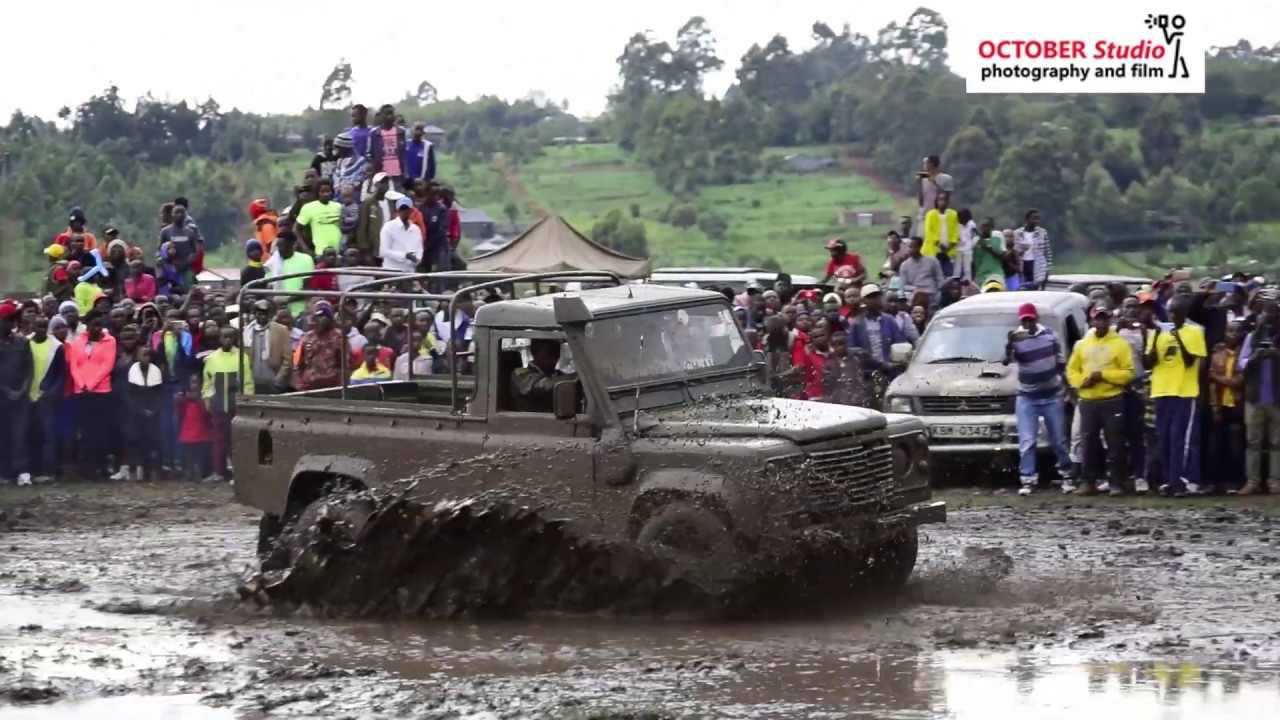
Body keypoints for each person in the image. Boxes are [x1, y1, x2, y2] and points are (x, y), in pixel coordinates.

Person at [1067, 305, 1135, 496]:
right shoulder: (1082, 344)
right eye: (1097, 318)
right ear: (1092, 321)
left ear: (1110, 320)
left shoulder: (1120, 344)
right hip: (1088, 400)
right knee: (1088, 442)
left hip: (1112, 399)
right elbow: (1072, 370)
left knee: (1115, 442)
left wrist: (1103, 375)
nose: (1101, 322)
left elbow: (1128, 373)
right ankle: (1088, 481)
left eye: (1104, 318)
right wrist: (1082, 382)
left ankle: (1116, 483)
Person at [1004, 302, 1071, 495]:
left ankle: (1067, 474)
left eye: (1030, 320)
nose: (1027, 323)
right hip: (1027, 397)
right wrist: (1010, 344)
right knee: (1027, 441)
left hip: (1051, 395)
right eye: (1024, 320)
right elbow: (1006, 360)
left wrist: (1065, 385)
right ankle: (1027, 479)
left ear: (1036, 319)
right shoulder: (1016, 338)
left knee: (1058, 439)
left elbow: (1060, 361)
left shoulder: (1050, 336)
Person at [1145, 295, 1207, 496]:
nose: (1173, 316)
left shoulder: (1194, 332)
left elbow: (1191, 362)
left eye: (1177, 312)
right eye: (1170, 312)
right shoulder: (1158, 333)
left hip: (1184, 392)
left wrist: (1177, 336)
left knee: (1180, 439)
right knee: (1163, 439)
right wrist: (1153, 338)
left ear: (1184, 313)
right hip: (1161, 390)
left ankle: (1180, 481)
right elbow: (1149, 363)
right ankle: (1169, 480)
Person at [67, 312, 117, 478]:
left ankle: (101, 467)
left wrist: (91, 384)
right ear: (87, 326)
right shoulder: (77, 341)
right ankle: (86, 468)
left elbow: (107, 365)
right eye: (94, 324)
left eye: (100, 325)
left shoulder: (110, 341)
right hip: (81, 392)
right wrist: (82, 384)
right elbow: (74, 365)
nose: (98, 328)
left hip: (101, 391)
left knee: (100, 431)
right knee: (85, 431)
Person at [1238, 298, 1280, 495]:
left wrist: (1276, 354)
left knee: (1276, 443)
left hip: (1276, 398)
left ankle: (1274, 481)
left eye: (1273, 315)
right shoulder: (1252, 338)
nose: (1269, 319)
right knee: (1253, 442)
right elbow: (1242, 364)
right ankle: (1253, 481)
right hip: (1255, 398)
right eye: (1266, 315)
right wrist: (1256, 356)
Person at [204, 327, 254, 482]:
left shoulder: (242, 357)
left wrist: (247, 402)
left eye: (230, 337)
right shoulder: (212, 358)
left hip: (235, 405)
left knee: (236, 441)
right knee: (219, 440)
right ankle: (218, 472)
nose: (227, 340)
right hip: (218, 404)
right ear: (219, 338)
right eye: (224, 337)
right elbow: (207, 383)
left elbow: (247, 382)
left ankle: (237, 472)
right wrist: (207, 400)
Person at [1208, 320, 1246, 494]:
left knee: (1236, 445)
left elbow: (1240, 380)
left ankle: (1235, 481)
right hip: (1221, 405)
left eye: (1237, 331)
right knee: (1218, 445)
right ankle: (1218, 482)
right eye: (1230, 331)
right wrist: (1214, 406)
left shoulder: (1245, 354)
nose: (1233, 334)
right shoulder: (1217, 355)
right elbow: (1211, 381)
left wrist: (1219, 379)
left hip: (1238, 405)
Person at [29, 314, 65, 484]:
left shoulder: (56, 347)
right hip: (28, 397)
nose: (42, 329)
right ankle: (32, 471)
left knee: (49, 435)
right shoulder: (25, 343)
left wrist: (51, 393)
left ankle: (50, 472)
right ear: (32, 327)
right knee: (32, 435)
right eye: (39, 326)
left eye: (45, 326)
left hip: (47, 398)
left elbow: (60, 375)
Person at [0, 301, 34, 486]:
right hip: (2, 397)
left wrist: (21, 390)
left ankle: (22, 471)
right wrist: (7, 390)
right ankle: (4, 473)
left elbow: (29, 369)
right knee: (3, 435)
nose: (10, 324)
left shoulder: (22, 342)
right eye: (6, 320)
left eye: (13, 320)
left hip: (20, 398)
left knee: (20, 434)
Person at [124, 345, 164, 482]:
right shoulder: (131, 371)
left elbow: (159, 395)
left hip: (152, 414)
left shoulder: (156, 371)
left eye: (149, 355)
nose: (146, 358)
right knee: (134, 441)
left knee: (151, 442)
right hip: (135, 413)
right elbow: (128, 396)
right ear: (137, 357)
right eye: (143, 355)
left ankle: (150, 470)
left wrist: (154, 409)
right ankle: (135, 470)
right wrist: (141, 410)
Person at [293, 301, 347, 391]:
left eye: (322, 317)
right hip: (308, 385)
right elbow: (298, 363)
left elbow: (345, 365)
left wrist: (343, 385)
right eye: (317, 317)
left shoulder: (338, 337)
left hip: (332, 386)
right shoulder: (307, 337)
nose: (319, 320)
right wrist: (299, 382)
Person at [242, 300, 290, 395]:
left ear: (270, 315)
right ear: (254, 314)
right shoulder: (246, 331)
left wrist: (279, 379)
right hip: (252, 381)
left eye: (265, 314)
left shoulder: (281, 330)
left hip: (273, 382)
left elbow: (287, 359)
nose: (262, 317)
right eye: (259, 314)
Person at [511, 339, 572, 413]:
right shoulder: (521, 374)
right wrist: (571, 380)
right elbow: (541, 386)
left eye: (557, 352)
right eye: (551, 352)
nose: (556, 357)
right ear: (535, 352)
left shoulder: (557, 374)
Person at [271, 232, 316, 319]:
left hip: (300, 313)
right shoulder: (273, 262)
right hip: (278, 314)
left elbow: (307, 288)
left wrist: (287, 300)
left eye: (282, 246)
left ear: (291, 244)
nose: (279, 249)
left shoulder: (305, 260)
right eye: (278, 246)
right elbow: (269, 287)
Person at [295, 178, 343, 256]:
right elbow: (296, 229)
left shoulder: (338, 206)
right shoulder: (309, 208)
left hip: (339, 251)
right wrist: (305, 248)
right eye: (322, 192)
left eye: (328, 191)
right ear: (317, 192)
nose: (326, 194)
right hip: (320, 253)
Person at [177, 374, 212, 482]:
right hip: (188, 432)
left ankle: (199, 473)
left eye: (196, 382)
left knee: (199, 457)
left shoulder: (204, 398)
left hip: (201, 433)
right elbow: (180, 413)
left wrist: (197, 400)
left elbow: (207, 412)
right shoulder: (184, 399)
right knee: (189, 457)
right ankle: (189, 472)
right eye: (192, 382)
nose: (194, 385)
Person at [356, 172, 394, 263]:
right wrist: (364, 248)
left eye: (386, 183)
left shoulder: (390, 202)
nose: (384, 185)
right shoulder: (368, 202)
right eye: (381, 183)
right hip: (372, 249)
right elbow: (362, 227)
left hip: (388, 247)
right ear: (375, 185)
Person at [897, 237, 945, 306]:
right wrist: (915, 289)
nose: (909, 250)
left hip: (931, 293)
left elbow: (940, 280)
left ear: (919, 247)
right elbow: (903, 285)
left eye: (912, 247)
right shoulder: (904, 265)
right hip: (915, 295)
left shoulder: (933, 261)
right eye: (908, 247)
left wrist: (939, 292)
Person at [380, 197, 424, 273]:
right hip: (391, 271)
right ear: (398, 210)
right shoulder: (389, 226)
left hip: (409, 271)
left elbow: (419, 250)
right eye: (402, 209)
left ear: (411, 210)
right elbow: (383, 251)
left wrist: (417, 259)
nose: (404, 211)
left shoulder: (416, 229)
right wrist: (404, 256)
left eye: (407, 209)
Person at [369, 104, 407, 189]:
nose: (390, 117)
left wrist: (404, 171)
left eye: (391, 114)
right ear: (381, 116)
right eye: (387, 114)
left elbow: (404, 153)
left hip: (397, 173)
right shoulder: (374, 133)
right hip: (381, 174)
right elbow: (369, 153)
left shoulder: (400, 131)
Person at [922, 194, 959, 277]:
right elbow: (928, 232)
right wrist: (939, 244)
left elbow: (955, 232)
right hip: (933, 252)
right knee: (932, 275)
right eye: (940, 200)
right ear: (936, 202)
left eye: (944, 200)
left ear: (947, 202)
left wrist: (950, 247)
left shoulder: (953, 214)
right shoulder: (930, 214)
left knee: (949, 275)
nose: (942, 202)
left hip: (947, 252)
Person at [1018, 209, 1052, 287]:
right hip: (1022, 265)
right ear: (1027, 219)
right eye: (1034, 218)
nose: (1037, 221)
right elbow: (1014, 251)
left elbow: (1047, 252)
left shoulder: (1042, 232)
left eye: (1038, 218)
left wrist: (1047, 270)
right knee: (1023, 288)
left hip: (1037, 265)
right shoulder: (1018, 233)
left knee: (1036, 288)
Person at [916, 155, 953, 225]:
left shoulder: (946, 178)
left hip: (940, 216)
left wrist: (934, 183)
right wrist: (920, 184)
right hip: (925, 216)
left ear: (931, 164)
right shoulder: (924, 180)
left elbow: (946, 198)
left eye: (925, 163)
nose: (923, 166)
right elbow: (921, 202)